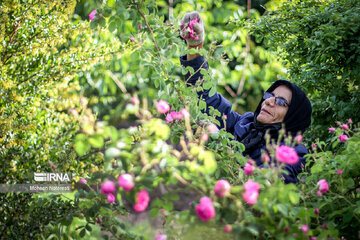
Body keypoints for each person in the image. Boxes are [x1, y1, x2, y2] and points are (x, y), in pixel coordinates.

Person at [179, 11, 312, 184]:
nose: (269, 101)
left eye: (280, 101)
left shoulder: (296, 154)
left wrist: (222, 145)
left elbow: (268, 185)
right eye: (270, 95)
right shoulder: (244, 125)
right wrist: (195, 46)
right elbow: (207, 97)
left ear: (293, 116)